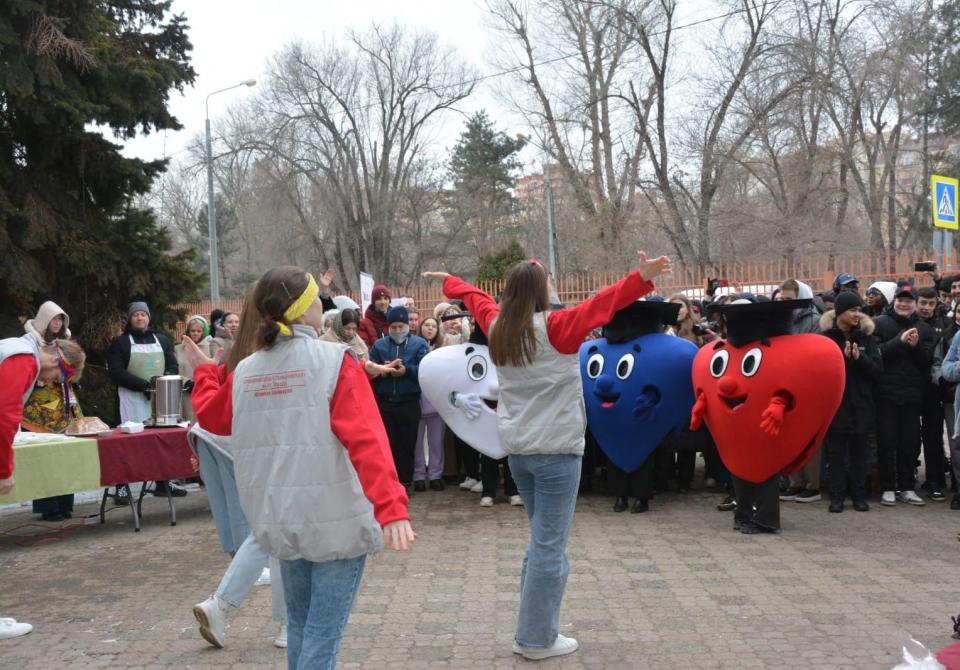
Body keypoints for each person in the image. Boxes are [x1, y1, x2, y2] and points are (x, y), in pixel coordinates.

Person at [424, 251, 671, 660]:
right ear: (541, 291)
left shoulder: (498, 326)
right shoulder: (557, 326)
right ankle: (535, 639)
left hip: (519, 451)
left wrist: (451, 281)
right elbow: (603, 304)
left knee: (542, 542)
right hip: (556, 451)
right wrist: (640, 278)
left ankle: (537, 628)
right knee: (548, 546)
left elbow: (476, 300)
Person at [188, 266, 414, 669]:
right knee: (321, 636)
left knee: (301, 628)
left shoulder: (247, 371)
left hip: (279, 519)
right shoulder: (335, 361)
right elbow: (367, 440)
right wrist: (391, 506)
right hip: (335, 521)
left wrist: (206, 371)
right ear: (305, 308)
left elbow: (211, 417)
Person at [183, 286, 288, 650]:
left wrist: (206, 370)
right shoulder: (260, 359)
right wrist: (205, 371)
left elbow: (214, 408)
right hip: (265, 454)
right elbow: (215, 411)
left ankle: (221, 605)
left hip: (245, 451)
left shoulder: (246, 355)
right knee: (275, 535)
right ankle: (285, 623)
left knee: (265, 533)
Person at [1, 334, 86, 639]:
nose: (49, 382)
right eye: (58, 378)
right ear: (58, 362)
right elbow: (5, 415)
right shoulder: (24, 360)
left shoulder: (19, 350)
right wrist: (4, 470)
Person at [106, 301, 184, 503]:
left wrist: (161, 383)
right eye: (135, 315)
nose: (140, 318)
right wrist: (144, 386)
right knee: (124, 444)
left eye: (143, 314)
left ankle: (163, 483)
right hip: (130, 399)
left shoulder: (162, 340)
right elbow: (116, 372)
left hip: (159, 398)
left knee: (159, 441)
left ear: (149, 317)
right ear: (130, 319)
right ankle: (122, 488)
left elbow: (172, 365)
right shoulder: (120, 343)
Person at [873, 284, 935, 507]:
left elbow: (927, 362)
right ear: (894, 301)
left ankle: (908, 487)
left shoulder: (924, 328)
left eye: (909, 301)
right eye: (900, 300)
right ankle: (888, 487)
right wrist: (898, 342)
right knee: (887, 442)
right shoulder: (880, 323)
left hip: (912, 396)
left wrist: (916, 346)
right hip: (886, 394)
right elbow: (876, 355)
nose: (904, 304)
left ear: (914, 304)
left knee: (910, 443)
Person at [820, 292, 882, 512]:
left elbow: (877, 371)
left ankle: (859, 496)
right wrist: (842, 360)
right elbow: (820, 373)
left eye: (859, 310)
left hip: (862, 405)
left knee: (859, 455)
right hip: (837, 406)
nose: (857, 314)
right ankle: (836, 497)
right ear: (839, 312)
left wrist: (859, 358)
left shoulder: (866, 337)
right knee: (836, 455)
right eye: (852, 310)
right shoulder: (826, 338)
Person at [22, 301, 79, 521]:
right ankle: (48, 507)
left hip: (64, 403)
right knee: (44, 456)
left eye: (60, 319)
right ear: (44, 319)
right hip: (39, 406)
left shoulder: (65, 342)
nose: (57, 323)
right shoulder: (31, 343)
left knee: (66, 454)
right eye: (54, 319)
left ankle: (65, 504)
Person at [368, 306, 429, 488]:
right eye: (393, 327)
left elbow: (425, 370)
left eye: (400, 326)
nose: (397, 330)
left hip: (409, 402)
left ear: (407, 325)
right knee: (388, 445)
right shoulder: (379, 345)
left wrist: (406, 370)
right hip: (386, 403)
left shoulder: (419, 344)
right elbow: (370, 370)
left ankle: (405, 482)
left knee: (407, 445)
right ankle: (390, 483)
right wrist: (383, 370)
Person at [413, 317, 446, 492]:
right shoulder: (413, 347)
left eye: (434, 326)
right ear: (421, 328)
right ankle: (418, 475)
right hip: (416, 401)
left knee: (436, 441)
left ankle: (435, 475)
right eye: (427, 325)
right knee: (417, 442)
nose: (430, 328)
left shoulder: (442, 350)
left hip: (436, 402)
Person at [174, 315, 213, 422]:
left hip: (203, 392)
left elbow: (214, 370)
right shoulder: (178, 349)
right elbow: (174, 370)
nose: (195, 333)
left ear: (203, 332)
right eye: (193, 330)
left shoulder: (210, 348)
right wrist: (186, 382)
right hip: (184, 391)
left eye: (199, 331)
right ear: (188, 331)